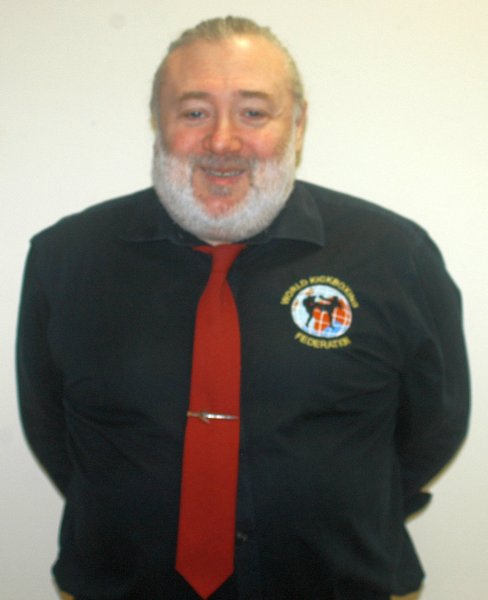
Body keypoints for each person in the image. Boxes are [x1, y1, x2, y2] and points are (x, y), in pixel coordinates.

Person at [16, 15, 469, 600]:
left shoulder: (395, 254)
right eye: (194, 112)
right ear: (157, 122)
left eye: (253, 112)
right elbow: (53, 430)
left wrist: (349, 506)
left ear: (298, 125)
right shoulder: (64, 258)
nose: (223, 141)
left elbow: (435, 426)